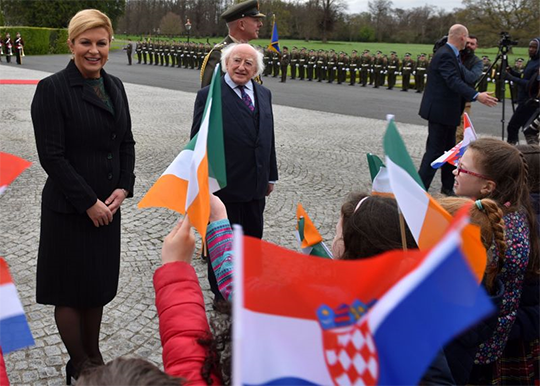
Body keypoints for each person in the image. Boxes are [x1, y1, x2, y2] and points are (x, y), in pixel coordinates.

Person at [31, 9, 136, 384]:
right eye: (86, 42)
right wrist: (88, 202)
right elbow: (52, 157)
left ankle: (94, 357)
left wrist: (124, 186)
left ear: (111, 44)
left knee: (96, 289)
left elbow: (125, 141)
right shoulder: (52, 89)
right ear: (71, 44)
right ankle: (82, 366)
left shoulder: (116, 87)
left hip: (109, 207)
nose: (94, 51)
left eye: (101, 43)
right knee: (70, 291)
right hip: (70, 210)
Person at [191, 43, 277, 302]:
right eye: (236, 61)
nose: (241, 67)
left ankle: (249, 287)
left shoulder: (264, 93)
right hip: (223, 186)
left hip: (256, 185)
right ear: (226, 64)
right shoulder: (209, 94)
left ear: (256, 69)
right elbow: (198, 139)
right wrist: (202, 181)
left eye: (248, 63)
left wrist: (270, 175)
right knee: (223, 243)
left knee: (252, 240)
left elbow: (267, 136)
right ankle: (222, 295)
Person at [451, 138, 539, 385]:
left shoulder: (489, 230)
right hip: (488, 341)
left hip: (474, 347)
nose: (454, 170)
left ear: (487, 187)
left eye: (463, 167)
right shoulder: (512, 212)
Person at [417, 24, 498, 195]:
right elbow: (453, 81)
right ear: (462, 38)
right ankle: (418, 189)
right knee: (434, 151)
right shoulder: (446, 54)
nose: (467, 43)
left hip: (447, 112)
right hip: (440, 111)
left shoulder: (451, 54)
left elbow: (462, 78)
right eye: (467, 39)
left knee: (450, 151)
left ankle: (448, 186)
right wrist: (477, 95)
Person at [199, 0, 265, 88]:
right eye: (256, 20)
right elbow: (210, 96)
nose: (260, 24)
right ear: (241, 24)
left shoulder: (251, 52)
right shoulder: (220, 54)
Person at [504, 37, 540, 145]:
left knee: (513, 127)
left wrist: (511, 78)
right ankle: (532, 152)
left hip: (529, 101)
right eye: (530, 46)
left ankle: (512, 151)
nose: (531, 49)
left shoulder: (538, 64)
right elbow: (524, 77)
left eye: (534, 47)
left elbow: (531, 85)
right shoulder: (532, 61)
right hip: (523, 100)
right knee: (527, 130)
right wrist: (512, 72)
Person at [456, 35, 483, 142]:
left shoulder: (477, 62)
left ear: (476, 46)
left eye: (472, 44)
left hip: (464, 100)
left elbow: (471, 78)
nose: (469, 46)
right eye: (467, 43)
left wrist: (458, 65)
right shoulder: (455, 56)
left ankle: (456, 157)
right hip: (449, 99)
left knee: (460, 132)